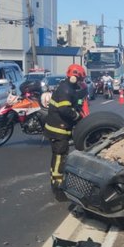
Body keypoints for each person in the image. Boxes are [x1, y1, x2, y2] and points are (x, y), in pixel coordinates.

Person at [43, 63, 87, 199]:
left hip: (58, 129)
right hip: (58, 130)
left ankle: (55, 181)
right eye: (79, 80)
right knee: (59, 158)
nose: (80, 83)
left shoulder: (67, 87)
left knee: (57, 157)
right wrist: (77, 116)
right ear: (74, 77)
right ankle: (58, 187)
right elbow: (64, 109)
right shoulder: (66, 90)